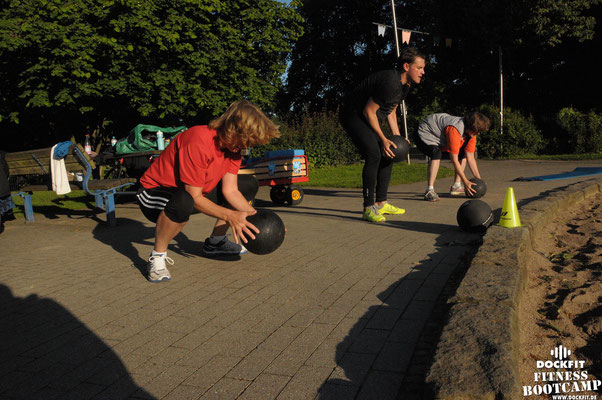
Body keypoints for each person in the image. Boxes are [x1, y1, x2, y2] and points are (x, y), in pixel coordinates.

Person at [136, 100, 280, 283]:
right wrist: (231, 216)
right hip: (153, 194)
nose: (246, 147)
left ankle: (216, 243)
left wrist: (261, 220)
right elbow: (194, 197)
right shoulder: (199, 140)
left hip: (189, 194)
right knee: (185, 200)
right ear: (232, 128)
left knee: (248, 184)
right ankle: (157, 256)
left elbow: (232, 191)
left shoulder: (233, 149)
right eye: (245, 140)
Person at [339, 47, 426, 222]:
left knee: (390, 152)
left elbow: (391, 109)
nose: (423, 72)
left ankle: (381, 202)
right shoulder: (390, 82)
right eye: (420, 68)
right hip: (352, 114)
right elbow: (369, 112)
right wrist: (383, 139)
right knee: (374, 154)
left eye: (424, 68)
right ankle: (368, 207)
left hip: (367, 115)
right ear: (406, 66)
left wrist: (396, 136)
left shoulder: (405, 86)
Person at [413, 111, 491, 201]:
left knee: (463, 154)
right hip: (425, 132)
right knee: (436, 153)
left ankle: (456, 186)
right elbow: (454, 159)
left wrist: (479, 180)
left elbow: (470, 156)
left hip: (439, 136)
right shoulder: (454, 129)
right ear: (471, 126)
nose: (478, 133)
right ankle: (429, 190)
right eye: (477, 131)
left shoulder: (471, 134)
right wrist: (465, 181)